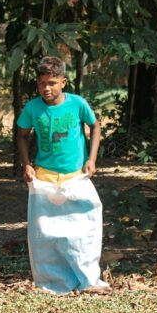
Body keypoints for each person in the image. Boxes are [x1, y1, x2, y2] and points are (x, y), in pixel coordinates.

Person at [16, 56, 109, 294]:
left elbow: (95, 125)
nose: (46, 88)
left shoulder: (77, 104)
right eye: (41, 84)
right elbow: (22, 135)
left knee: (83, 230)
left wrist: (92, 159)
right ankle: (51, 283)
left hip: (75, 175)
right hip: (45, 178)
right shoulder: (33, 108)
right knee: (45, 234)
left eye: (52, 83)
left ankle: (88, 281)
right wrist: (27, 164)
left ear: (63, 83)